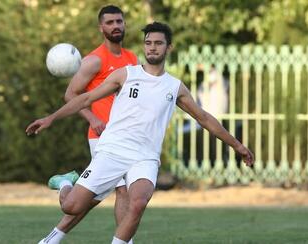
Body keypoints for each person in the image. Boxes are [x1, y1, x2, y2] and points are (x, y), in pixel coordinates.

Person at [27, 22, 254, 244]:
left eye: (158, 43)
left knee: (138, 202)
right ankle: (67, 183)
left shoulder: (174, 87)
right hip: (112, 150)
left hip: (145, 157)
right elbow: (85, 98)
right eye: (148, 43)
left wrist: (237, 146)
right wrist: (50, 118)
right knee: (71, 207)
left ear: (168, 48)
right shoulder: (125, 75)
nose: (152, 47)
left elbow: (204, 118)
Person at [38, 5, 137, 244]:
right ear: (101, 28)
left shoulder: (132, 58)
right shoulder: (94, 61)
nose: (116, 26)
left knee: (95, 196)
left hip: (125, 136)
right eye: (110, 22)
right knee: (122, 190)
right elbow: (70, 95)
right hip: (101, 136)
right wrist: (93, 118)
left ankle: (52, 236)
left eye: (119, 21)